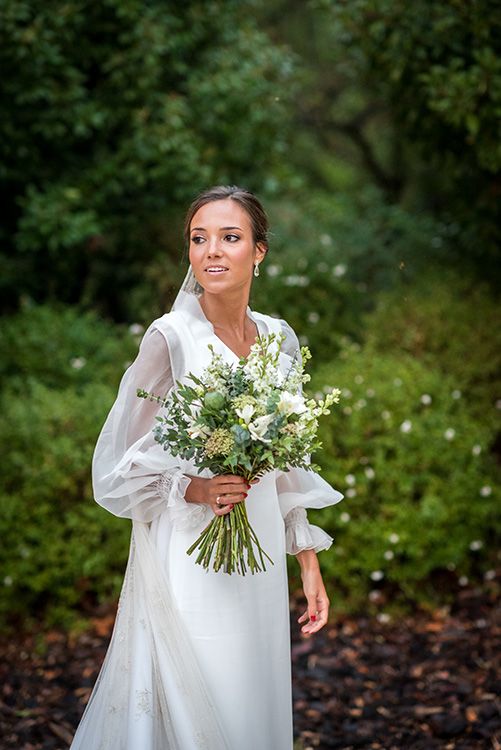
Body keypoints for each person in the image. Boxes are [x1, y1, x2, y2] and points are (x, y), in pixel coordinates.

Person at [69, 185, 344, 750]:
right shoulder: (170, 339)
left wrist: (307, 560)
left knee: (252, 691)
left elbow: (288, 462)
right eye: (199, 239)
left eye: (230, 237)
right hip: (194, 551)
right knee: (204, 688)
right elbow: (120, 464)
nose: (211, 251)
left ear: (259, 252)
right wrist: (194, 488)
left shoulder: (278, 339)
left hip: (261, 545)